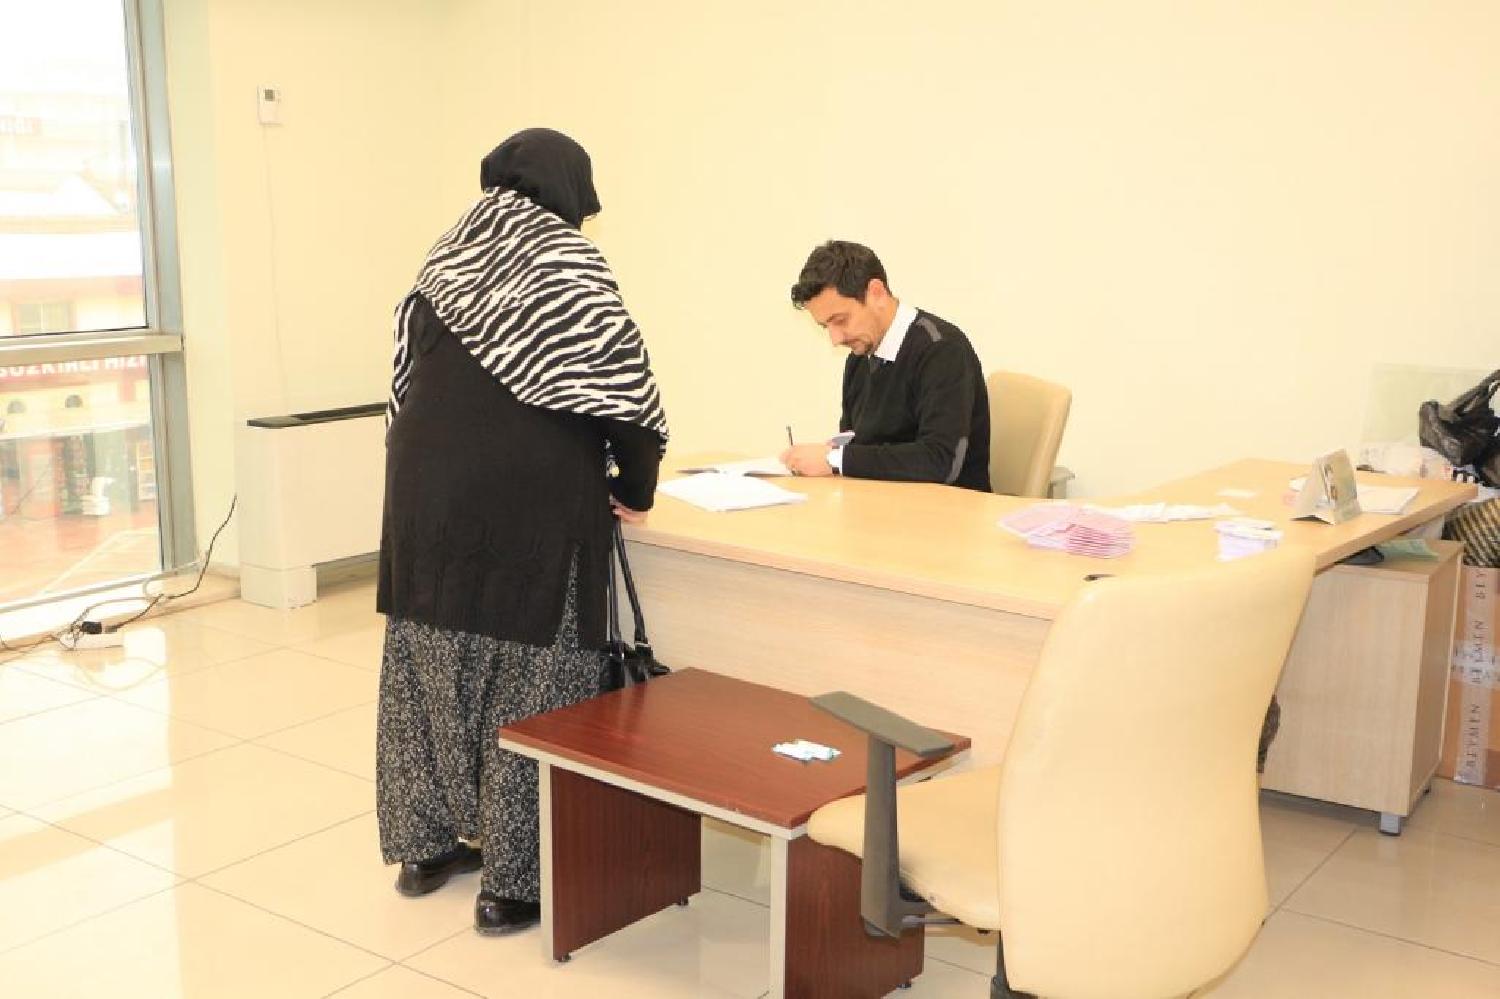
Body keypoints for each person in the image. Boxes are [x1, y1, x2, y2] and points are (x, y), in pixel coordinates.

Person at [375, 128, 668, 936]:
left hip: (424, 503)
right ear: (570, 190)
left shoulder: (446, 257)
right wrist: (634, 488)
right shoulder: (567, 264)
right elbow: (625, 394)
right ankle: (512, 884)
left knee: (427, 672)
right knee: (531, 685)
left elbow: (403, 380)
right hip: (533, 509)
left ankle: (426, 849)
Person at [780, 240, 990, 491]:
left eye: (841, 320)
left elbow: (940, 462)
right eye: (826, 327)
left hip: (951, 508)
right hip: (882, 503)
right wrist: (835, 453)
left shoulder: (942, 349)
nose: (835, 339)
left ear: (876, 293)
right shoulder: (859, 357)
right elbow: (858, 448)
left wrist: (835, 460)